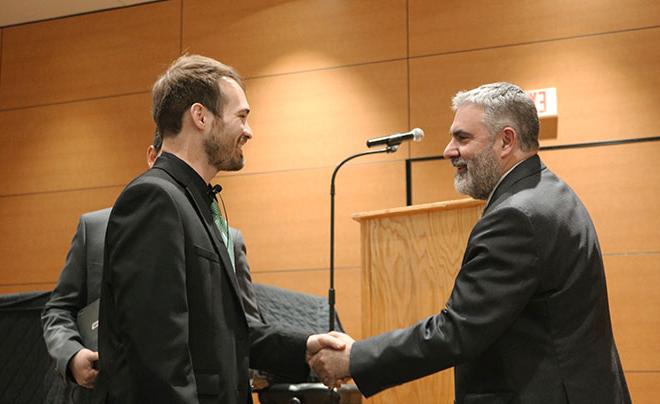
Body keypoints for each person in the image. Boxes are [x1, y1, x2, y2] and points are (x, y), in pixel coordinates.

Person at [309, 82, 631, 403]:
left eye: (462, 138)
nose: (449, 150)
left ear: (506, 140)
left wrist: (356, 357)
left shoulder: (517, 216)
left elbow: (457, 331)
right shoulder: (548, 193)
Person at [95, 54, 342, 404]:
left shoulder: (193, 202)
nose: (249, 130)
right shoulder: (154, 199)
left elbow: (224, 334)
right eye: (242, 116)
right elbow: (158, 359)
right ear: (200, 116)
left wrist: (304, 348)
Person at [41, 132, 265, 402]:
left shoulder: (226, 236)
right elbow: (58, 309)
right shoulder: (94, 228)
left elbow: (245, 325)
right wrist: (71, 355)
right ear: (152, 157)